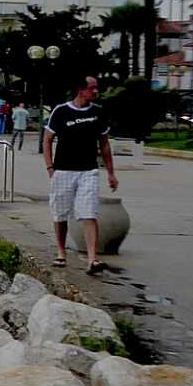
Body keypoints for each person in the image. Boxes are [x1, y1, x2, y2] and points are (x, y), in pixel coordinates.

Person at [43, 76, 118, 275]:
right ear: (81, 90)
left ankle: (92, 259)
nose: (96, 92)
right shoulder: (61, 111)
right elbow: (47, 139)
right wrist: (50, 167)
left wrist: (110, 173)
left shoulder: (97, 113)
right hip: (63, 171)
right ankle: (61, 251)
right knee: (60, 214)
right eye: (92, 88)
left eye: (96, 88)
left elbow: (104, 144)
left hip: (88, 170)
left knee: (89, 213)